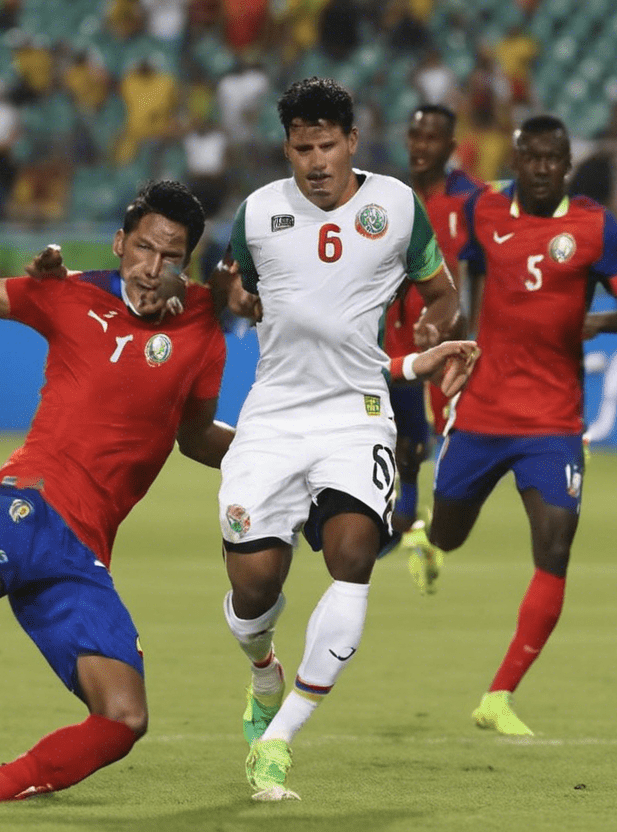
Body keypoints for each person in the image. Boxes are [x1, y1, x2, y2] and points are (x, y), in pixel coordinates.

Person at [0, 178, 478, 801]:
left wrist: (280, 460)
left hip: (84, 551)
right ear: (119, 242)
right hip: (28, 498)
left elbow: (195, 436)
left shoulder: (203, 328)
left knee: (124, 720)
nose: (153, 267)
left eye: (171, 257)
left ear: (189, 262)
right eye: (143, 249)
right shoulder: (68, 294)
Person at [214, 77, 462, 801]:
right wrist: (237, 293)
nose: (315, 161)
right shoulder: (259, 211)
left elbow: (442, 292)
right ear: (286, 147)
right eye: (301, 147)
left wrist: (434, 328)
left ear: (352, 141)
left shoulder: (395, 206)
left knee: (352, 556)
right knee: (254, 586)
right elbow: (239, 284)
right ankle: (264, 674)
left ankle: (278, 740)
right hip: (273, 416)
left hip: (357, 411)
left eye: (327, 145)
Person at [401, 115, 617, 735]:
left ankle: (500, 695)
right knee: (453, 533)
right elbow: (470, 274)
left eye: (553, 158)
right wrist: (455, 330)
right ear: (517, 161)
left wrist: (595, 323)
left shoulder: (594, 226)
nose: (542, 168)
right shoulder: (485, 213)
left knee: (556, 543)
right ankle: (432, 542)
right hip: (483, 410)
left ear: (567, 164)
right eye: (531, 158)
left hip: (553, 420)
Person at [382, 105, 482, 565]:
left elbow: (477, 271)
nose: (420, 146)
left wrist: (463, 325)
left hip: (451, 335)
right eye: (415, 135)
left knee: (448, 434)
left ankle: (431, 528)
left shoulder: (471, 201)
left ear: (451, 146)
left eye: (431, 138)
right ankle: (403, 521)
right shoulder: (392, 197)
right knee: (404, 437)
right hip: (398, 333)